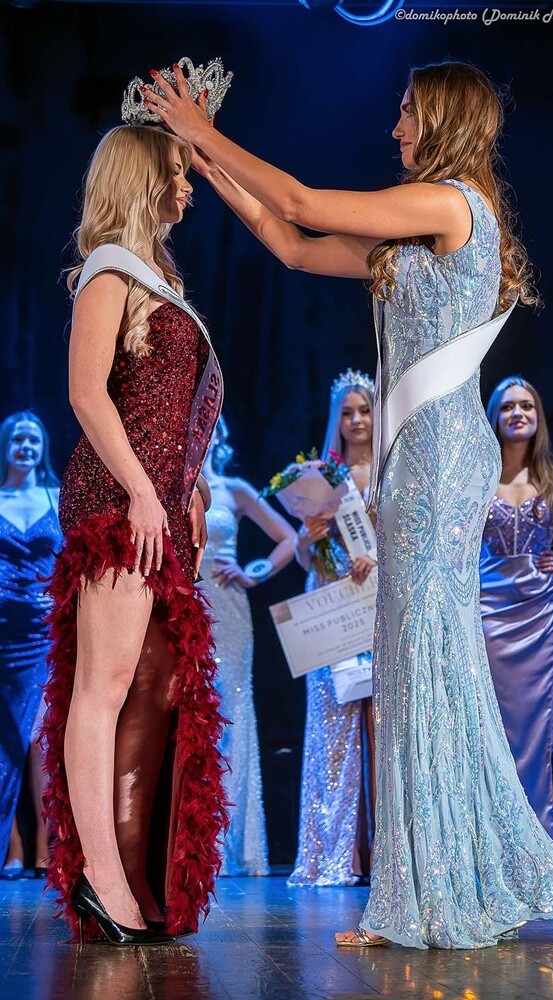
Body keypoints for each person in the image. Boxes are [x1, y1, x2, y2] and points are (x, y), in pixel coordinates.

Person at [145, 58, 553, 949]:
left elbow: (304, 200)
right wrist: (211, 163)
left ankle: (432, 892)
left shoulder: (451, 204)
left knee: (421, 662)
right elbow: (293, 243)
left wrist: (202, 129)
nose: (395, 129)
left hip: (439, 459)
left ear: (445, 120)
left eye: (408, 113)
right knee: (416, 664)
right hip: (420, 457)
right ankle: (422, 887)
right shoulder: (418, 231)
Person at [40, 125, 227, 945]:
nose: (188, 187)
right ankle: (101, 881)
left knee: (158, 687)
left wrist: (195, 486)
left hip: (157, 502)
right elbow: (87, 394)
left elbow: (168, 410)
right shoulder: (109, 270)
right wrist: (146, 492)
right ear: (142, 177)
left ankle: (135, 872)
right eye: (178, 173)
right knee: (105, 685)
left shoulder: (160, 277)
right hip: (118, 502)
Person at [481, 376, 553, 878]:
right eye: (508, 406)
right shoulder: (477, 479)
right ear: (494, 417)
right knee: (493, 729)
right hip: (487, 612)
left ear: (539, 416)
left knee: (545, 731)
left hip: (541, 616)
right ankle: (496, 854)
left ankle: (547, 853)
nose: (518, 413)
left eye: (527, 405)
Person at [288, 369, 377, 886]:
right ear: (335, 419)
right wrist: (309, 536)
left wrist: (377, 560)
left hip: (378, 602)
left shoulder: (391, 470)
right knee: (333, 729)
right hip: (330, 602)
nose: (357, 420)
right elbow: (304, 556)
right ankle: (337, 854)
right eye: (347, 413)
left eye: (364, 410)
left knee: (383, 727)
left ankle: (384, 852)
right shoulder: (322, 476)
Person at [199, 415, 295, 876]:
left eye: (211, 423)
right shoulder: (167, 485)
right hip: (178, 606)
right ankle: (185, 843)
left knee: (230, 714)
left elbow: (288, 538)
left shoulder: (233, 489)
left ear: (220, 434)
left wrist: (253, 572)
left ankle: (230, 845)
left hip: (229, 613)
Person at [0, 412, 61, 880]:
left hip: (44, 631)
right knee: (6, 740)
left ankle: (46, 840)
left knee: (41, 737)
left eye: (34, 439)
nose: (26, 446)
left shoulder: (55, 496)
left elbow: (75, 556)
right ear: (5, 446)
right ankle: (12, 846)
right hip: (3, 632)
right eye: (18, 438)